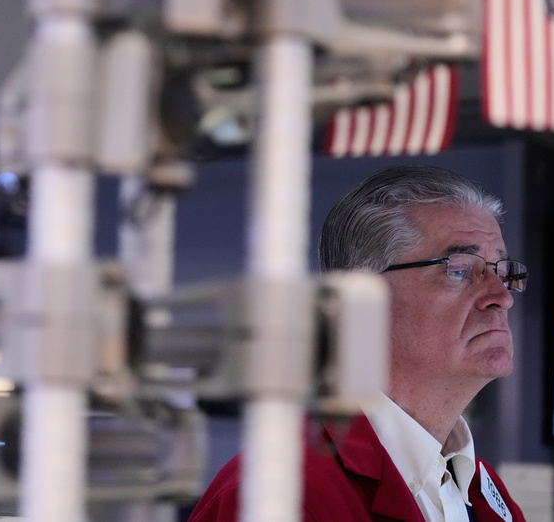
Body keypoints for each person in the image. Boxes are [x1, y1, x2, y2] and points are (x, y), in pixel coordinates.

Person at [189, 164, 528, 522]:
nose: (500, 296)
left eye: (503, 272)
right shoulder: (277, 496)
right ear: (361, 303)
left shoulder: (490, 496)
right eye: (460, 269)